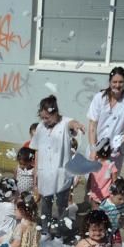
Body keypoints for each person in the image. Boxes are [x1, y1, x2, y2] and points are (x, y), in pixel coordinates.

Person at [31, 95, 84, 235]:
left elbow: (72, 123)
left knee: (62, 205)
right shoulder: (40, 128)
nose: (44, 121)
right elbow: (36, 150)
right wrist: (36, 171)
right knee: (46, 204)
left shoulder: (64, 123)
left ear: (55, 113)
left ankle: (61, 231)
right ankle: (45, 230)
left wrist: (77, 125)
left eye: (47, 117)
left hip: (62, 174)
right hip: (44, 174)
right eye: (42, 118)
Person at [87, 66, 124, 174]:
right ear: (110, 82)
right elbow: (92, 126)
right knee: (93, 183)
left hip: (114, 152)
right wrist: (93, 149)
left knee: (110, 182)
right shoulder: (99, 98)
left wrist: (120, 140)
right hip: (97, 148)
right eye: (114, 82)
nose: (117, 85)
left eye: (121, 82)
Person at [86, 140, 118, 208]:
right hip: (106, 197)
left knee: (95, 214)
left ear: (97, 152)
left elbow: (90, 180)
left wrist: (89, 192)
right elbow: (115, 183)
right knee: (104, 214)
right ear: (110, 153)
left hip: (94, 195)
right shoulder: (111, 166)